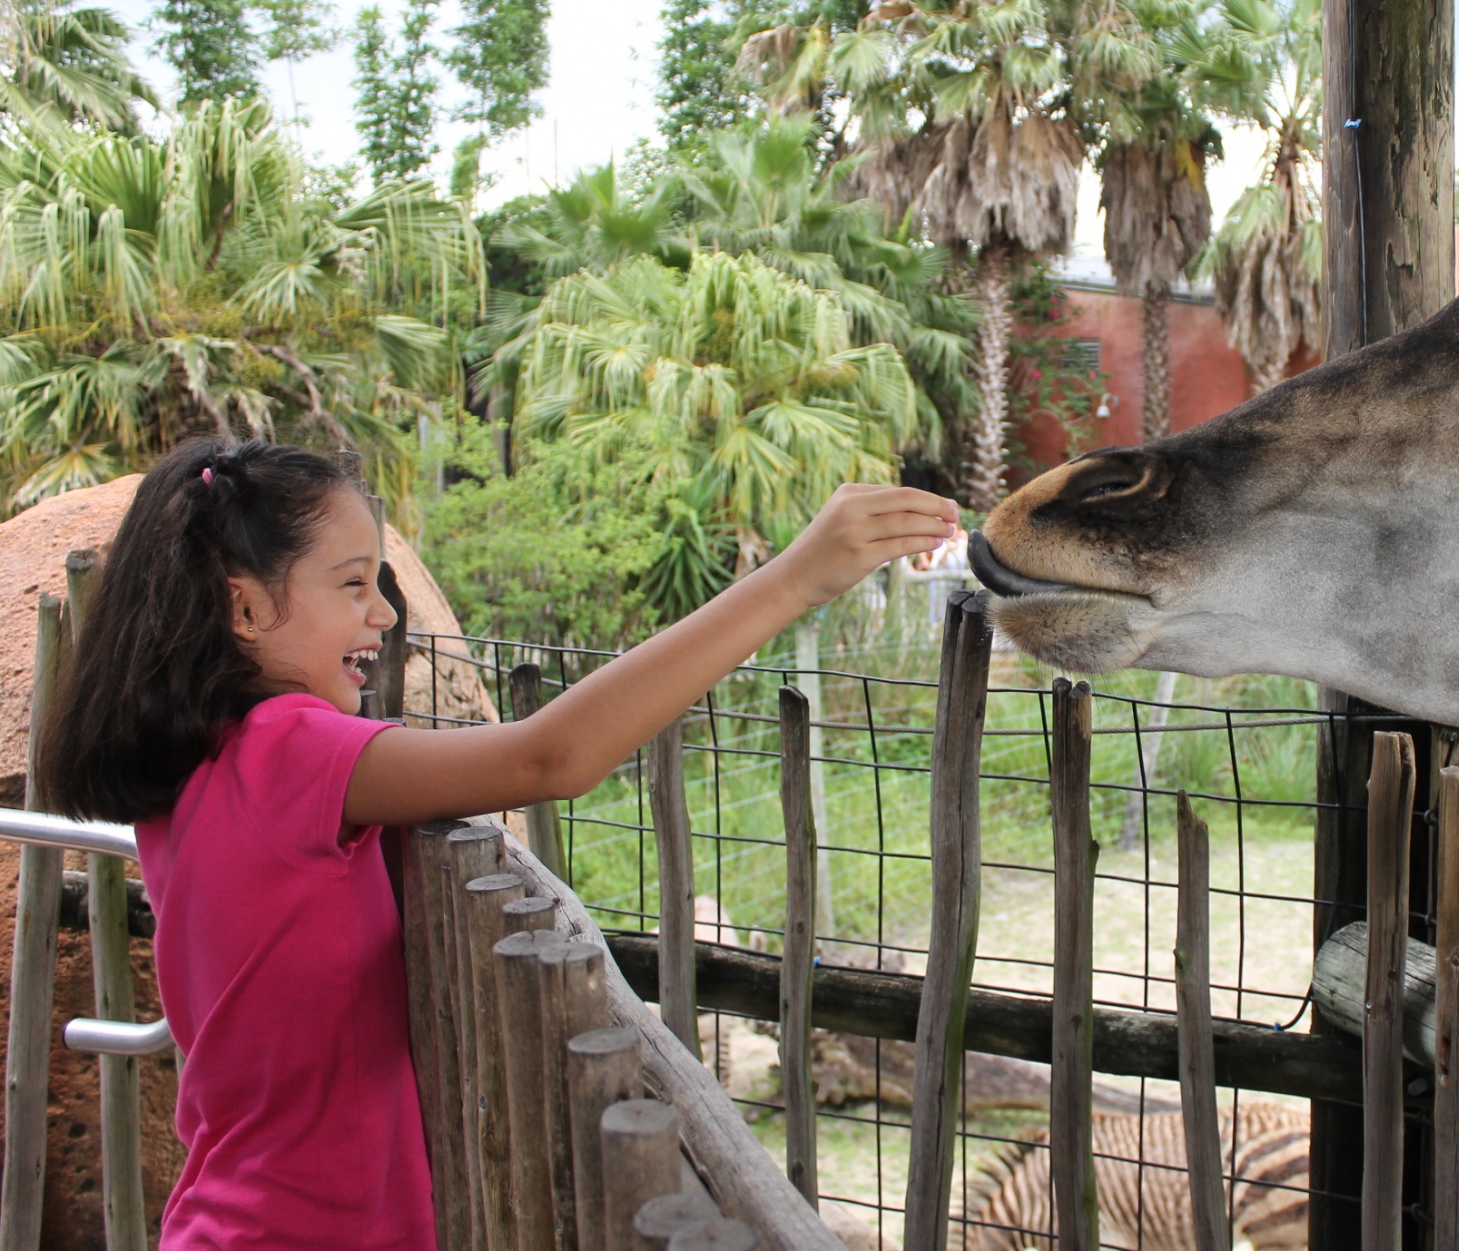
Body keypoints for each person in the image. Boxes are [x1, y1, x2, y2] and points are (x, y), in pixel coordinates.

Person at [36, 437, 958, 1250]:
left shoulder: (198, 763)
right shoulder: (290, 749)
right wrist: (796, 577)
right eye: (352, 583)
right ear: (243, 610)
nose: (385, 615)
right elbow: (550, 755)